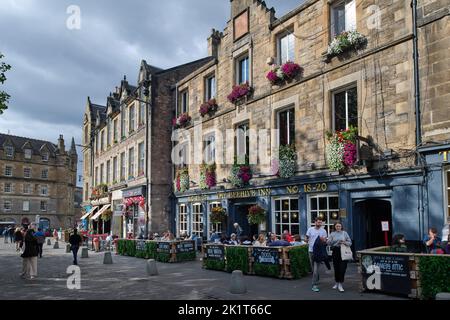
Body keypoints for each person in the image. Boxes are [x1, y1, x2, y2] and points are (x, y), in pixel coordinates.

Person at [327, 222, 352, 292]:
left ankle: (340, 284)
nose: (338, 227)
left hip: (343, 251)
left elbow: (350, 243)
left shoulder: (345, 233)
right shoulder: (332, 234)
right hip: (335, 252)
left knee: (342, 269)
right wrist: (335, 242)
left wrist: (344, 242)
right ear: (335, 227)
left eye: (339, 226)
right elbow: (329, 243)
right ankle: (336, 282)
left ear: (341, 227)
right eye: (337, 226)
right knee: (336, 268)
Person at [306, 218, 328, 292]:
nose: (319, 224)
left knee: (315, 270)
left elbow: (325, 241)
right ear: (315, 222)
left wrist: (323, 240)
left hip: (318, 252)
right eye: (318, 222)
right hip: (311, 251)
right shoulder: (310, 229)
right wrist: (306, 241)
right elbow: (307, 238)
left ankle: (314, 285)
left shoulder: (323, 231)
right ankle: (316, 277)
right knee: (313, 269)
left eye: (321, 223)